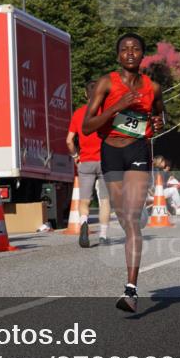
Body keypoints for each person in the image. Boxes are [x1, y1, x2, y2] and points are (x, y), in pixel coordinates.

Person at [82, 33, 164, 313]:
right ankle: (135, 219)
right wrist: (117, 107)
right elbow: (87, 126)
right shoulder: (106, 83)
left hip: (138, 150)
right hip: (111, 153)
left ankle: (131, 289)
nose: (130, 53)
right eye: (125, 49)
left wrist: (157, 121)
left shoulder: (153, 87)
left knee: (131, 219)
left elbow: (161, 117)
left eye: (136, 49)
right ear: (118, 55)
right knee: (124, 218)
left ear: (143, 55)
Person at [67, 80, 112, 247]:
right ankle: (103, 236)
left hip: (85, 162)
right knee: (105, 200)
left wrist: (75, 156)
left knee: (84, 200)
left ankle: (84, 224)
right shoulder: (107, 113)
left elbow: (69, 141)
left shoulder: (78, 114)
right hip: (105, 162)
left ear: (86, 94)